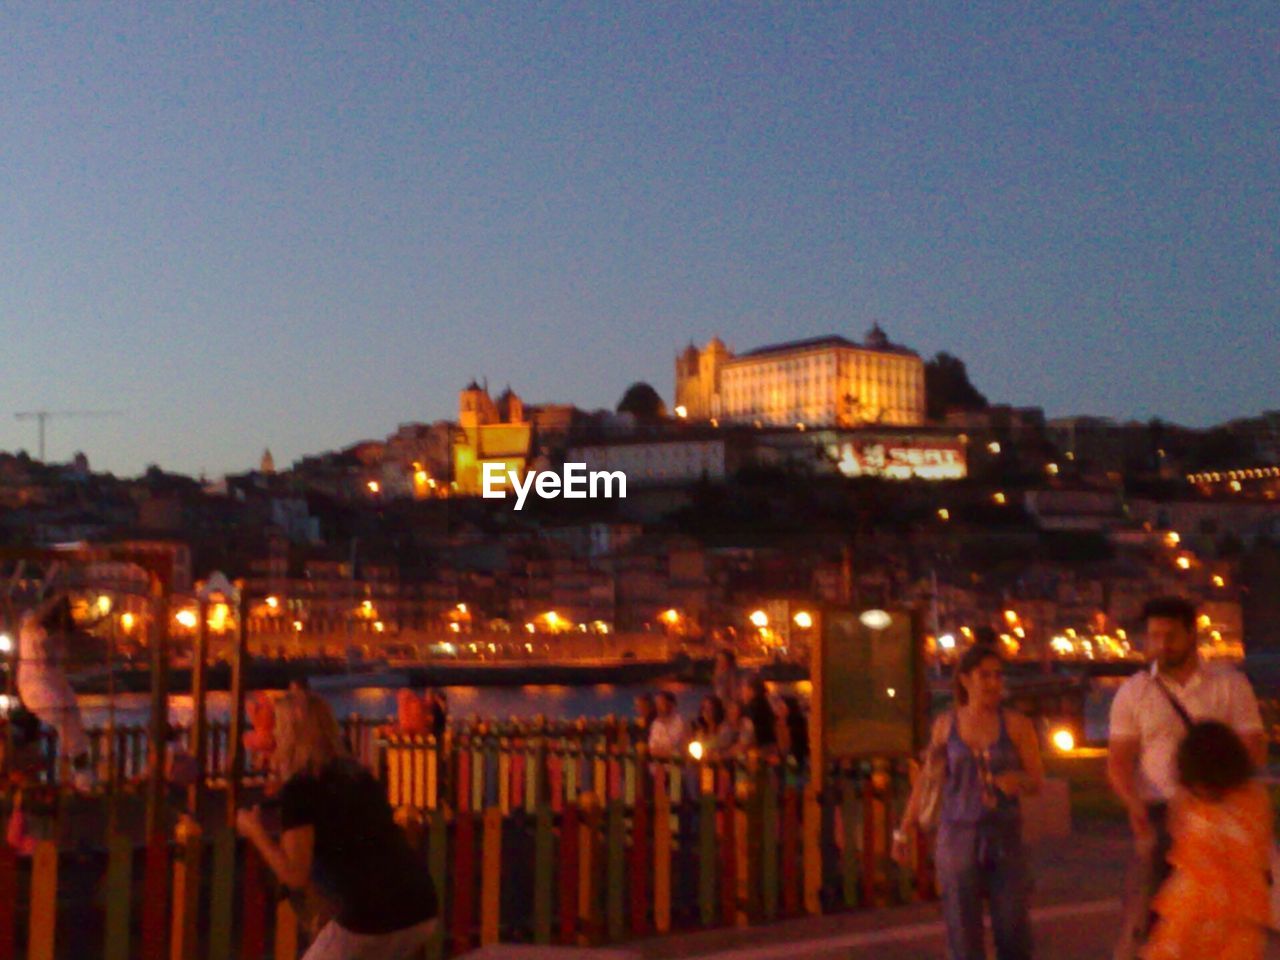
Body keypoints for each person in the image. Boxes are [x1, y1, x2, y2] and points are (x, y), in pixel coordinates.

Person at [1108, 596, 1265, 958]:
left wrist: (1212, 783)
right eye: (1154, 636)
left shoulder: (1229, 686)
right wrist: (1132, 804)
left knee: (1220, 914)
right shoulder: (1135, 692)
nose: (1161, 645)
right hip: (1158, 811)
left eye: (1171, 636)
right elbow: (1119, 760)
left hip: (1216, 812)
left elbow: (1252, 748)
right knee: (1150, 912)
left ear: (1192, 635)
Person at [235, 693, 438, 959]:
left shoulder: (301, 789)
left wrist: (254, 831)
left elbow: (295, 874)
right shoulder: (358, 775)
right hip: (419, 906)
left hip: (371, 917)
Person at [894, 645, 1044, 960]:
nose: (992, 683)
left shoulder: (1017, 725)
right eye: (984, 676)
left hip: (1003, 835)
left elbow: (1037, 781)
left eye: (998, 676)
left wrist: (1016, 781)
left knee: (1013, 926)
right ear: (964, 680)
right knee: (962, 929)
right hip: (957, 834)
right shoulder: (946, 725)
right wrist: (904, 829)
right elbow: (927, 780)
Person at [1141, 721, 1272, 960]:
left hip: (1195, 911)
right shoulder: (1256, 798)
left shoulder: (1190, 804)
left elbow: (1179, 843)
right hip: (1243, 911)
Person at [17, 594, 90, 787]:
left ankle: (79, 776)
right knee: (67, 721)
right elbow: (37, 620)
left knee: (73, 725)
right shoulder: (31, 628)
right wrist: (58, 598)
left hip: (54, 685)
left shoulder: (52, 636)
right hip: (38, 687)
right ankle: (79, 776)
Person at [647, 691, 688, 759]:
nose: (658, 708)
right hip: (656, 766)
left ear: (671, 705)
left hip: (674, 766)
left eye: (661, 704)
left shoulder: (680, 724)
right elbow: (652, 748)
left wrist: (661, 752)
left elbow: (675, 748)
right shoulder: (656, 724)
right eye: (657, 704)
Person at [742, 677, 777, 753]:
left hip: (760, 750)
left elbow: (748, 736)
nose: (742, 692)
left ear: (751, 690)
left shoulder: (751, 708)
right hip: (771, 746)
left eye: (744, 688)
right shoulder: (766, 704)